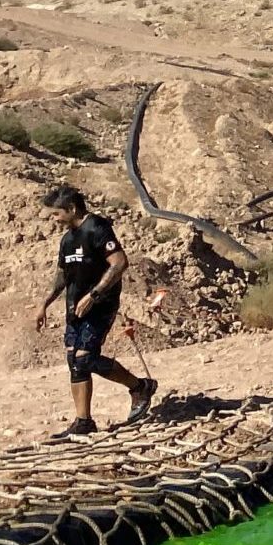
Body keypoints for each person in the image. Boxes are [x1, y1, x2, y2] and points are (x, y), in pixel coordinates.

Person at [32, 184, 156, 437]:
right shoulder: (67, 239)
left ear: (71, 209)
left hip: (100, 304)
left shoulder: (97, 228)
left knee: (85, 358)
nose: (53, 220)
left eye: (56, 214)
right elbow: (61, 275)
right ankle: (83, 422)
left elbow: (119, 263)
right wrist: (44, 303)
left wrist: (94, 295)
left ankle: (139, 387)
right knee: (74, 361)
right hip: (74, 306)